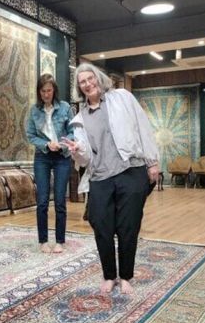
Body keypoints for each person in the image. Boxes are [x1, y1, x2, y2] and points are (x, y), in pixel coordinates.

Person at [61, 63, 160, 295]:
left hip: (130, 171)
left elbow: (143, 127)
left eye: (90, 78)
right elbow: (86, 158)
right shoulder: (80, 119)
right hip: (100, 177)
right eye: (82, 82)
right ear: (79, 88)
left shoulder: (122, 98)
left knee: (128, 226)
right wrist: (77, 151)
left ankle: (125, 277)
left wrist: (152, 161)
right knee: (101, 225)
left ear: (98, 78)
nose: (88, 84)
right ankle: (108, 275)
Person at [26, 74, 74, 253]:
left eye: (49, 90)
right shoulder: (34, 111)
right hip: (43, 157)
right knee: (42, 201)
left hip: (62, 157)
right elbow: (31, 135)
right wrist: (47, 144)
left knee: (60, 200)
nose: (46, 94)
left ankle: (60, 241)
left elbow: (73, 132)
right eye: (43, 91)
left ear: (54, 90)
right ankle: (43, 240)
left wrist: (62, 144)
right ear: (39, 92)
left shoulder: (65, 108)